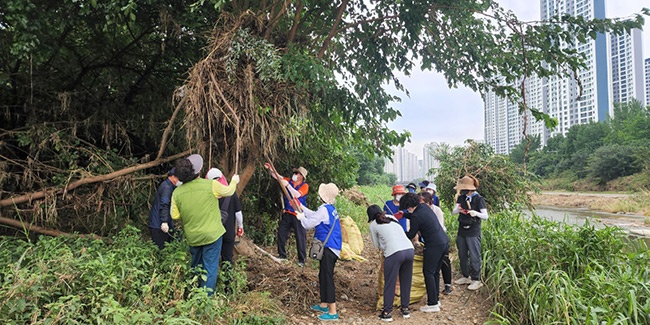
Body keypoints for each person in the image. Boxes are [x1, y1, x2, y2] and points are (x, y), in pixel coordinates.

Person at [170, 156, 239, 296]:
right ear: (198, 172)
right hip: (212, 235)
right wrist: (234, 181)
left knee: (196, 265)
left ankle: (193, 294)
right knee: (210, 267)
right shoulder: (210, 185)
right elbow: (229, 192)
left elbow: (174, 216)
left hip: (193, 236)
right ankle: (205, 299)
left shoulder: (177, 193)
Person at [298, 183, 342, 321]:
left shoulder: (324, 210)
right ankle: (323, 304)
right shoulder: (329, 209)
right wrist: (302, 208)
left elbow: (308, 224)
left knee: (327, 278)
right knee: (322, 274)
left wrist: (301, 218)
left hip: (329, 248)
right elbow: (314, 215)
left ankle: (332, 311)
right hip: (332, 248)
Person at [399, 192, 449, 313]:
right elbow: (417, 216)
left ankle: (432, 304)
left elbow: (411, 234)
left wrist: (398, 232)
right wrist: (404, 215)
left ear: (410, 206)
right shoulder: (424, 207)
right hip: (444, 242)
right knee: (435, 272)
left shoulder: (416, 216)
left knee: (428, 272)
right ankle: (435, 299)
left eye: (407, 208)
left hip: (434, 245)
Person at [367, 205, 415, 322]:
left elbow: (376, 245)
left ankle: (387, 312)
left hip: (394, 253)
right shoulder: (391, 217)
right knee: (406, 280)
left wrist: (385, 247)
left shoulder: (373, 225)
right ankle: (405, 309)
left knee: (390, 282)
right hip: (409, 249)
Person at [265, 164, 309, 266]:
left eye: (297, 173)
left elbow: (297, 194)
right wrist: (271, 169)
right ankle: (282, 255)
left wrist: (288, 186)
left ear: (301, 176)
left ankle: (302, 260)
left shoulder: (304, 186)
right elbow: (277, 176)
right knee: (281, 233)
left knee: (300, 237)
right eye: (295, 172)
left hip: (298, 214)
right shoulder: (289, 181)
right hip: (288, 213)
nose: (295, 174)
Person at [452, 175, 488, 291]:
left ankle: (476, 279)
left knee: (474, 255)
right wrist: (459, 210)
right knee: (462, 253)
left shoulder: (479, 199)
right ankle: (465, 276)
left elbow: (485, 216)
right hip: (462, 229)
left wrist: (475, 213)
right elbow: (454, 211)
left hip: (473, 230)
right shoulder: (461, 198)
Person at [205, 168, 244, 265]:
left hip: (212, 232)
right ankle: (227, 278)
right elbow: (238, 213)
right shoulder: (231, 193)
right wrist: (240, 227)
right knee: (227, 258)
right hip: (228, 232)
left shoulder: (206, 194)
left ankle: (212, 278)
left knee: (211, 258)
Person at [419, 191, 452, 295]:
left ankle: (447, 285)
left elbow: (439, 227)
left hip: (439, 240)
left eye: (421, 202)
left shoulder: (436, 210)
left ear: (428, 202)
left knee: (443, 263)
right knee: (434, 270)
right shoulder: (420, 212)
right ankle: (435, 294)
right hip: (429, 240)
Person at [148, 167, 181, 249]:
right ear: (173, 177)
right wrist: (164, 222)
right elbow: (164, 204)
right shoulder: (167, 188)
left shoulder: (169, 186)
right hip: (158, 224)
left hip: (162, 222)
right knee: (160, 250)